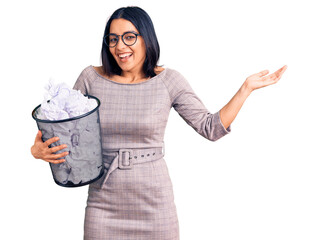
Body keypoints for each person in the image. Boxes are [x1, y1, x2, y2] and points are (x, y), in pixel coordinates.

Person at [31, 6, 287, 240]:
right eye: (113, 38)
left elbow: (210, 128)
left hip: (154, 202)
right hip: (103, 201)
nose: (120, 46)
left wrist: (245, 89)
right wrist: (39, 151)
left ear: (146, 38)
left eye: (129, 37)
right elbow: (66, 132)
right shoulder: (90, 79)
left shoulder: (169, 81)